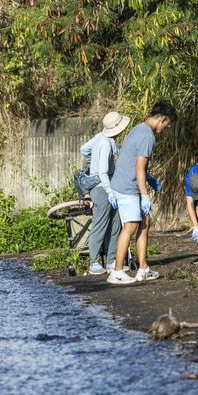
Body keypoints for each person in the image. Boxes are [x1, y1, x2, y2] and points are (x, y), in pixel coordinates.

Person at [105, 100, 178, 285]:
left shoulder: (139, 128)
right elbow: (139, 168)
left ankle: (143, 268)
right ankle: (117, 271)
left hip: (128, 184)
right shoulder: (148, 137)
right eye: (168, 124)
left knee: (145, 223)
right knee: (129, 227)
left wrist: (148, 178)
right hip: (127, 187)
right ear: (163, 119)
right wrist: (145, 195)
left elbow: (134, 162)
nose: (166, 127)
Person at [79, 111, 131, 275]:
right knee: (101, 223)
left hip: (108, 185)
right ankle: (94, 263)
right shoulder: (105, 144)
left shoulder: (100, 138)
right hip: (102, 187)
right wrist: (110, 192)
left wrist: (92, 159)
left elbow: (84, 149)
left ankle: (111, 261)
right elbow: (102, 172)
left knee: (115, 223)